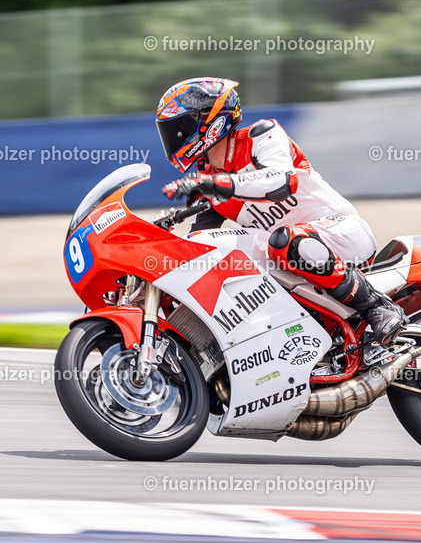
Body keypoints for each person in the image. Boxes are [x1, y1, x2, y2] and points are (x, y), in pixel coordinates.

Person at [155, 76, 406, 344]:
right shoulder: (210, 181)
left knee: (284, 240)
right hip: (290, 262)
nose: (174, 137)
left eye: (180, 127)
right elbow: (197, 246)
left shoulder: (261, 135)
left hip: (341, 235)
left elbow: (280, 181)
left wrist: (212, 184)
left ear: (210, 119)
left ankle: (377, 307)